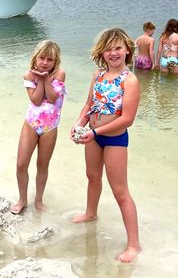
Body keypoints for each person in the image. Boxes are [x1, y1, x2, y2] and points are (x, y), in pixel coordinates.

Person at [70, 27, 141, 263]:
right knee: (92, 177)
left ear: (127, 50)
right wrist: (79, 124)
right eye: (109, 49)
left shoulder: (129, 80)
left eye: (118, 48)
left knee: (120, 190)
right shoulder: (98, 75)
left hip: (114, 139)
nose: (113, 53)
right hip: (92, 134)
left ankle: (134, 245)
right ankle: (91, 213)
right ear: (102, 52)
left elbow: (126, 118)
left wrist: (95, 131)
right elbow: (89, 104)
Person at [11, 40, 66, 215]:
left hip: (50, 127)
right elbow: (35, 100)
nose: (44, 62)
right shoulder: (29, 75)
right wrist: (41, 79)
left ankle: (39, 200)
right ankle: (22, 199)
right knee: (21, 164)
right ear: (35, 58)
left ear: (55, 61)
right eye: (41, 58)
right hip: (31, 124)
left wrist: (45, 79)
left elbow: (52, 99)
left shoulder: (59, 74)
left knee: (43, 165)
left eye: (49, 60)